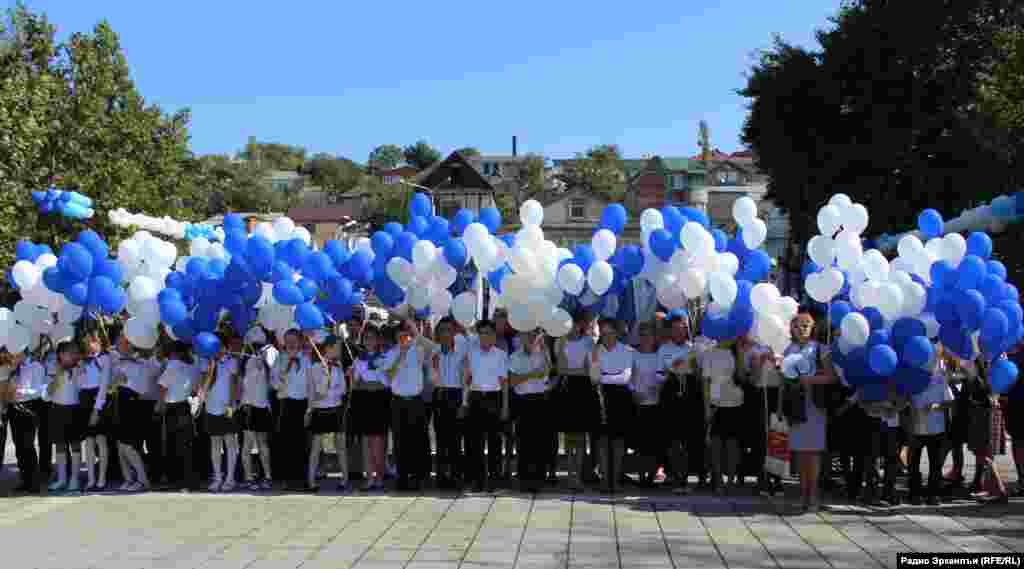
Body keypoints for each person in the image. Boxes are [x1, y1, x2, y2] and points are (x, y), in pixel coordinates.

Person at [781, 310, 835, 513]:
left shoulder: (822, 349)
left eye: (806, 325)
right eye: (797, 325)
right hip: (795, 406)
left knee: (812, 453)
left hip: (814, 406)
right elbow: (784, 381)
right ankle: (803, 494)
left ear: (813, 328)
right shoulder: (789, 350)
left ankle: (813, 495)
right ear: (791, 329)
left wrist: (809, 379)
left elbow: (831, 377)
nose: (801, 328)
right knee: (801, 453)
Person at [657, 311, 704, 494]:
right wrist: (671, 371)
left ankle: (692, 475)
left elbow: (700, 374)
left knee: (691, 439)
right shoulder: (664, 349)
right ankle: (676, 476)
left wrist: (692, 367)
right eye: (675, 329)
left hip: (690, 396)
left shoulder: (693, 348)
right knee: (673, 439)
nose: (678, 332)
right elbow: (658, 374)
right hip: (671, 395)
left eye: (682, 329)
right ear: (670, 331)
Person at [554, 311, 598, 491]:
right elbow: (560, 368)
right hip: (566, 388)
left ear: (580, 325)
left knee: (580, 436)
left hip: (583, 389)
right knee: (568, 435)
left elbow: (591, 369)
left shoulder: (589, 342)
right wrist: (577, 370)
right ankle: (570, 474)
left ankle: (578, 475)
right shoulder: (559, 341)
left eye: (574, 323)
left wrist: (576, 370)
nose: (571, 327)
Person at [589, 318, 635, 493]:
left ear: (616, 333)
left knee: (618, 441)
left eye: (610, 333)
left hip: (620, 398)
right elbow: (593, 378)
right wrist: (608, 375)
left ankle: (615, 480)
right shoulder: (595, 351)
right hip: (600, 396)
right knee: (602, 440)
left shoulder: (627, 351)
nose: (607, 337)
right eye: (604, 333)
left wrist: (604, 375)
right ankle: (604, 479)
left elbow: (626, 377)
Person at [464, 319, 509, 492]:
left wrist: (505, 406)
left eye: (488, 333)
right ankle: (477, 480)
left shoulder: (500, 354)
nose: (485, 337)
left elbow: (504, 383)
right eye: (481, 333)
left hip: (494, 398)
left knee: (494, 442)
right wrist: (465, 401)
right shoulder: (471, 353)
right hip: (475, 398)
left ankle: (494, 481)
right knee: (475, 442)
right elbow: (466, 380)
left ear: (494, 336)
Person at [907, 348, 955, 505]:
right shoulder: (913, 378)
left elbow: (949, 401)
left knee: (935, 463)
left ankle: (933, 494)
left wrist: (936, 406)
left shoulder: (940, 378)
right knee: (913, 463)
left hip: (936, 428)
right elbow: (905, 400)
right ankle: (915, 493)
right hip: (916, 427)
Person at [111, 333, 158, 492]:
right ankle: (129, 479)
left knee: (129, 445)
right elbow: (114, 381)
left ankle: (142, 479)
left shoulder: (142, 362)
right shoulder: (118, 361)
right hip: (120, 401)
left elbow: (143, 386)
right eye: (118, 343)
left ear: (132, 345)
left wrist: (127, 377)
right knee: (120, 445)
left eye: (123, 343)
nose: (119, 346)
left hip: (133, 403)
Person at [508, 328, 552, 493]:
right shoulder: (514, 356)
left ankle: (538, 478)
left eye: (534, 335)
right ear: (521, 337)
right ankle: (524, 478)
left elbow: (547, 372)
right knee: (523, 441)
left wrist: (545, 349)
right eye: (527, 335)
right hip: (523, 402)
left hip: (540, 401)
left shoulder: (542, 355)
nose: (531, 338)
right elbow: (512, 381)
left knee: (539, 441)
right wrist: (531, 375)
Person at [701, 336, 746, 495]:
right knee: (716, 445)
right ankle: (718, 479)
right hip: (716, 404)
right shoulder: (709, 353)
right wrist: (707, 407)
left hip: (735, 402)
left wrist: (740, 354)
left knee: (733, 445)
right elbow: (705, 382)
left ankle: (731, 480)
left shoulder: (738, 351)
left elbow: (742, 377)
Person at [350, 324, 391, 491]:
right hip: (364, 401)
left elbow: (387, 382)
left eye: (372, 337)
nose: (369, 341)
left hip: (379, 401)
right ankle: (369, 477)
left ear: (378, 340)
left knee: (378, 440)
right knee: (366, 441)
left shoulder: (384, 358)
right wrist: (364, 380)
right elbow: (356, 382)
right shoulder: (359, 359)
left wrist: (373, 380)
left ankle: (379, 476)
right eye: (366, 338)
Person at [307, 336, 349, 492]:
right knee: (316, 447)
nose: (338, 350)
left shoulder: (338, 367)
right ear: (328, 348)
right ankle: (311, 481)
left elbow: (343, 390)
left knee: (341, 445)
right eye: (336, 347)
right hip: (320, 410)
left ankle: (345, 479)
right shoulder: (314, 368)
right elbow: (316, 392)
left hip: (336, 409)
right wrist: (326, 381)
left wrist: (331, 390)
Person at [157, 341, 200, 492]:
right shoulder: (192, 366)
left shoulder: (172, 365)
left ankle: (176, 480)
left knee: (172, 445)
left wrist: (160, 404)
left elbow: (162, 385)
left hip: (172, 408)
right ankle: (188, 481)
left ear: (174, 352)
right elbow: (195, 390)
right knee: (186, 445)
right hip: (185, 406)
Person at [271, 329, 311, 491]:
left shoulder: (307, 359)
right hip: (286, 403)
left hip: (302, 404)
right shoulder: (280, 359)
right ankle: (287, 478)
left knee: (301, 442)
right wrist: (280, 381)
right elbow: (273, 382)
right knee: (286, 441)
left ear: (300, 342)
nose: (291, 344)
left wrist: (310, 407)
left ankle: (301, 478)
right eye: (287, 341)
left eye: (294, 340)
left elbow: (311, 383)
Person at [430, 317, 468, 490]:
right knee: (441, 438)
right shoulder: (434, 351)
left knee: (455, 439)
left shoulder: (461, 351)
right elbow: (432, 380)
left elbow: (466, 380)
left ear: (454, 332)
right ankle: (441, 476)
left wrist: (464, 403)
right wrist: (435, 368)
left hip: (456, 395)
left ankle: (455, 476)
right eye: (442, 330)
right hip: (439, 395)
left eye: (449, 330)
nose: (445, 333)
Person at [200, 337, 241, 492]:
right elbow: (204, 386)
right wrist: (210, 368)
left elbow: (233, 383)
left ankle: (230, 478)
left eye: (218, 346)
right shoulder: (206, 362)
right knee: (215, 443)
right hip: (211, 407)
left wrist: (232, 404)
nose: (216, 350)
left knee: (230, 442)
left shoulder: (231, 361)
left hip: (227, 408)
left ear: (224, 347)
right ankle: (217, 477)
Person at [238, 328, 274, 491]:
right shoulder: (244, 361)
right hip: (248, 406)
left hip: (262, 406)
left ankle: (267, 476)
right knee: (247, 445)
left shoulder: (267, 357)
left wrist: (264, 362)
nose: (256, 347)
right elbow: (240, 383)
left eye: (259, 345)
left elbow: (271, 379)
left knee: (262, 444)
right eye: (254, 345)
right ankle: (248, 478)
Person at [7, 348, 46, 493]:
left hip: (29, 407)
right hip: (14, 407)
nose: (12, 355)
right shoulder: (14, 368)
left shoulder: (36, 366)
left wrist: (22, 392)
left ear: (23, 351)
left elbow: (40, 390)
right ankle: (25, 479)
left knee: (27, 444)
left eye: (15, 352)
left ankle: (34, 482)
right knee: (19, 446)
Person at [45, 341, 83, 492]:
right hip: (57, 409)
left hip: (74, 409)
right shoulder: (53, 369)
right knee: (60, 445)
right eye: (70, 352)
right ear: (61, 355)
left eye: (75, 352)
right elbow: (48, 393)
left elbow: (81, 387)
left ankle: (74, 478)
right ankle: (61, 479)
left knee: (75, 445)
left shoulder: (79, 369)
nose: (74, 355)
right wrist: (57, 376)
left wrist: (76, 371)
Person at [630, 322, 665, 487]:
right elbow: (628, 379)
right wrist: (633, 392)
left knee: (653, 442)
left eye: (649, 335)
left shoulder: (659, 356)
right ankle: (641, 475)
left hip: (655, 404)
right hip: (638, 403)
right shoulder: (633, 356)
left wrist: (658, 386)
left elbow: (662, 377)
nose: (646, 338)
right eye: (643, 335)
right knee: (640, 443)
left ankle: (651, 475)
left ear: (654, 338)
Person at [77, 332, 113, 490]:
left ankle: (101, 478)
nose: (90, 344)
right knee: (88, 442)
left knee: (100, 440)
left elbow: (104, 385)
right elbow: (79, 383)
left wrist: (96, 409)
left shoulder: (104, 359)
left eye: (93, 341)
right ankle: (91, 479)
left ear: (99, 342)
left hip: (98, 399)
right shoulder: (82, 361)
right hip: (84, 399)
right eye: (87, 342)